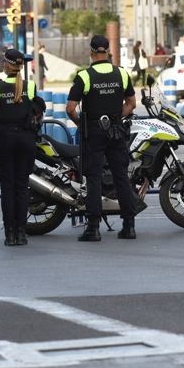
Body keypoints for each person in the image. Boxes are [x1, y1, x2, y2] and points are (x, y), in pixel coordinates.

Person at [66, 35, 138, 241]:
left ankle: (93, 227)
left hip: (94, 132)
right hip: (116, 131)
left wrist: (82, 124)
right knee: (121, 177)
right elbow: (132, 103)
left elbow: (71, 109)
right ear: (107, 52)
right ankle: (129, 226)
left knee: (94, 178)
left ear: (91, 52)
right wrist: (116, 118)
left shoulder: (85, 76)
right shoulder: (121, 74)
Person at [0, 48, 44, 246]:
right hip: (25, 139)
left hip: (4, 139)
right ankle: (21, 233)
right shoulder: (30, 87)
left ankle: (10, 234)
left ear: (7, 65)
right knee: (22, 187)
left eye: (4, 62)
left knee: (7, 188)